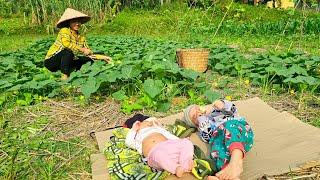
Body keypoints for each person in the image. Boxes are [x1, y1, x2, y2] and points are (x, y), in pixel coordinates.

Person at [183, 100, 254, 180]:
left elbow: (233, 110)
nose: (198, 113)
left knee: (230, 127)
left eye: (197, 108)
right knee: (217, 151)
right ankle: (231, 175)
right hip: (221, 138)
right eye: (194, 117)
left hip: (240, 131)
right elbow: (208, 137)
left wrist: (223, 105)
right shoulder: (203, 126)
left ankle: (236, 161)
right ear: (195, 124)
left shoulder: (215, 111)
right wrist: (202, 120)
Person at [44, 8, 111, 80]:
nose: (77, 24)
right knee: (67, 52)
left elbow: (88, 53)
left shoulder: (81, 37)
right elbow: (66, 44)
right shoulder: (64, 30)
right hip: (52, 62)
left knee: (90, 58)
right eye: (74, 21)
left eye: (79, 21)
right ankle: (64, 77)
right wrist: (82, 49)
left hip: (67, 61)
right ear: (69, 22)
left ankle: (80, 74)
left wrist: (103, 57)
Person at [125, 116, 194, 177]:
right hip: (154, 153)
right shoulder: (138, 135)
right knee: (159, 154)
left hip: (170, 146)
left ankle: (185, 163)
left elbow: (169, 135)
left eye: (150, 122)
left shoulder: (157, 129)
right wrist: (133, 130)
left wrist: (180, 141)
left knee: (187, 142)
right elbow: (128, 142)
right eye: (146, 122)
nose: (149, 123)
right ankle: (175, 168)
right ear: (138, 126)